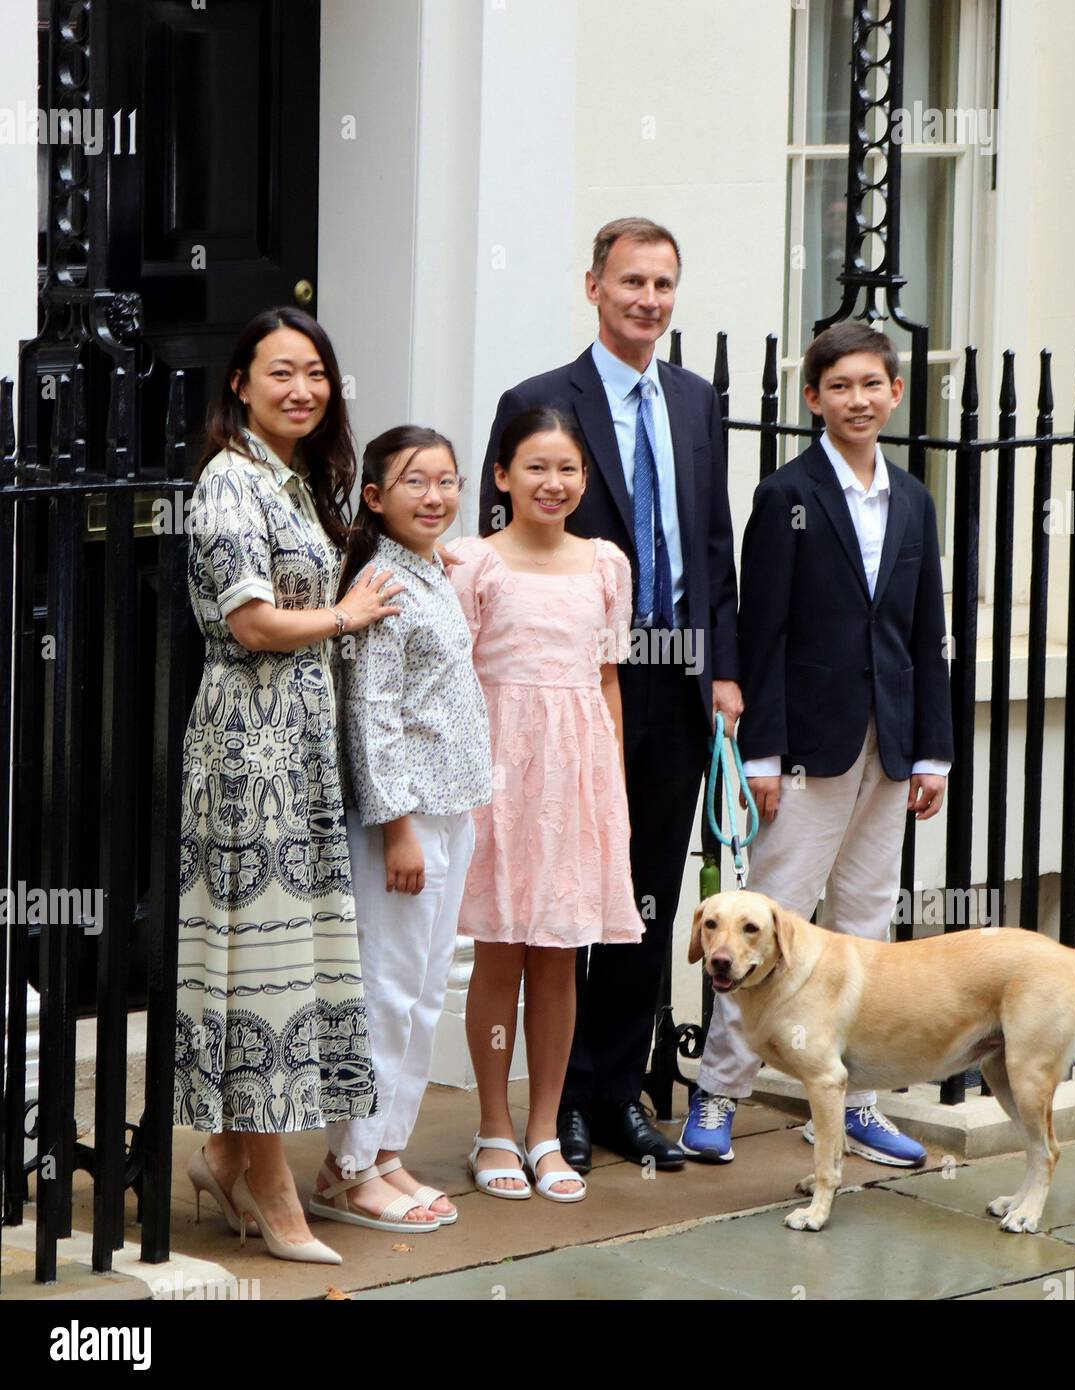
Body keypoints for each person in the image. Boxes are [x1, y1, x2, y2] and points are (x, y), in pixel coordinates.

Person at [479, 217, 741, 1173]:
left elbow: (713, 545)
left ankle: (620, 1091)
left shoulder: (698, 400)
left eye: (664, 285)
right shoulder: (540, 400)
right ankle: (561, 1108)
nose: (649, 301)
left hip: (674, 681)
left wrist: (724, 670)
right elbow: (497, 549)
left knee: (645, 899)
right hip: (569, 687)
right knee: (561, 896)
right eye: (631, 282)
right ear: (593, 285)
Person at [680, 321, 953, 1167]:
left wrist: (933, 750)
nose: (858, 400)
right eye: (840, 387)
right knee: (763, 921)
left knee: (867, 925)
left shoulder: (912, 498)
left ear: (897, 393)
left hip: (893, 743)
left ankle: (855, 1101)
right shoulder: (784, 495)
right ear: (813, 398)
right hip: (804, 749)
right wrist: (761, 753)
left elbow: (927, 630)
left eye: (873, 385)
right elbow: (760, 632)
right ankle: (718, 1092)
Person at [176, 307, 405, 1264]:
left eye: (315, 372)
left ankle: (230, 1156)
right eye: (281, 372)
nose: (302, 389)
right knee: (262, 969)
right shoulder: (230, 483)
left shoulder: (296, 478)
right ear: (240, 383)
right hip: (249, 749)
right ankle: (271, 1190)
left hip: (300, 746)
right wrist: (349, 614)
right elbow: (254, 625)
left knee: (293, 961)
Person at [451, 408, 643, 1202]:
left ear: (586, 480)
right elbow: (454, 680)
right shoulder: (471, 563)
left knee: (561, 954)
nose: (552, 483)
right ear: (502, 476)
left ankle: (544, 1128)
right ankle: (493, 1128)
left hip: (578, 777)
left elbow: (607, 679)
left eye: (567, 469)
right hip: (497, 774)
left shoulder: (605, 564)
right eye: (535, 467)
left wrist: (614, 783)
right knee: (500, 950)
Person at [309, 426, 492, 1233]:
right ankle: (347, 1168)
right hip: (404, 824)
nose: (437, 496)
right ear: (377, 499)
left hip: (451, 813)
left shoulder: (434, 572)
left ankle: (386, 1152)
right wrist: (398, 829)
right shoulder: (383, 581)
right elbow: (372, 717)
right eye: (416, 482)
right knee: (385, 994)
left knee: (422, 997)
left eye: (448, 481)